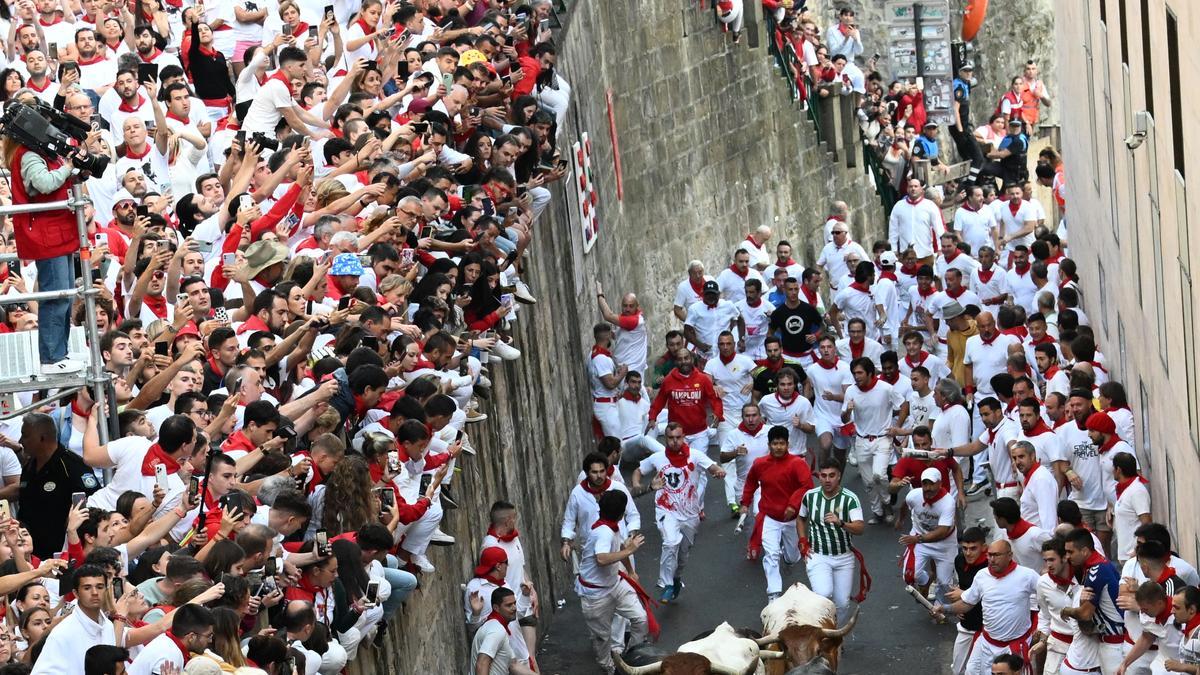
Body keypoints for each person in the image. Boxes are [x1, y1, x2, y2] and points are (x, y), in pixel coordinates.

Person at [7, 102, 99, 373]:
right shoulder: (28, 154)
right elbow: (44, 183)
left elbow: (57, 179)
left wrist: (76, 170)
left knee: (65, 296)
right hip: (47, 235)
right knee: (56, 297)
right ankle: (50, 358)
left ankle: (60, 353)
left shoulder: (42, 151)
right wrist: (68, 166)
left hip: (57, 233)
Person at [632, 422, 726, 603]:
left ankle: (675, 578)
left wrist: (719, 471)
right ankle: (666, 583)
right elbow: (638, 470)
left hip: (690, 513)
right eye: (670, 438)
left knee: (682, 555)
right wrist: (637, 485)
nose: (674, 441)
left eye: (678, 437)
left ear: (683, 437)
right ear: (665, 439)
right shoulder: (658, 457)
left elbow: (713, 467)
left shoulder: (695, 456)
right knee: (670, 542)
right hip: (666, 509)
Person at [933, 540, 1041, 675]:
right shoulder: (982, 576)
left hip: (1015, 646)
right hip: (987, 644)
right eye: (990, 555)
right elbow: (967, 603)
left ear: (1009, 555)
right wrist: (945, 608)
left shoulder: (1027, 575)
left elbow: (1047, 593)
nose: (992, 559)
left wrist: (1044, 624)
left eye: (997, 555)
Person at [574, 490, 650, 674]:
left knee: (640, 619)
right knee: (602, 638)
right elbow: (601, 558)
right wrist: (630, 550)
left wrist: (630, 571)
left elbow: (620, 546)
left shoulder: (612, 526)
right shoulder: (603, 533)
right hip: (595, 595)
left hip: (615, 584)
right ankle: (610, 668)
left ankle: (630, 656)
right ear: (622, 514)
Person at [740, 425, 813, 601]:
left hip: (792, 520)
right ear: (769, 445)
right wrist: (745, 503)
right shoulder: (760, 464)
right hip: (769, 517)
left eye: (782, 443)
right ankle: (774, 595)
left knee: (793, 557)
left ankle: (788, 559)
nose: (778, 447)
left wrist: (793, 505)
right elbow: (750, 483)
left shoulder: (797, 464)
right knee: (771, 555)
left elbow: (807, 486)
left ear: (788, 444)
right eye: (775, 443)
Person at [798, 458, 865, 625]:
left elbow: (860, 528)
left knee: (842, 603)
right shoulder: (810, 496)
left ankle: (834, 635)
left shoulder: (850, 499)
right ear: (819, 476)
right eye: (824, 475)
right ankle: (819, 631)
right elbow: (800, 519)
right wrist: (803, 542)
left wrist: (841, 523)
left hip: (844, 557)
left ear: (839, 476)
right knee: (823, 594)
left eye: (832, 475)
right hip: (818, 555)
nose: (827, 480)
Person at [842, 357, 903, 522]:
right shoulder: (851, 391)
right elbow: (844, 418)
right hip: (861, 440)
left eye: (860, 373)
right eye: (854, 373)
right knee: (868, 481)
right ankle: (877, 511)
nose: (856, 377)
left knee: (879, 475)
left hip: (882, 438)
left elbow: (903, 404)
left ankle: (887, 502)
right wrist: (848, 411)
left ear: (870, 373)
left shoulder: (886, 388)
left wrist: (898, 427)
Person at [1062, 527, 1126, 674]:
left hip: (1113, 645)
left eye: (1071, 552)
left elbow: (1085, 614)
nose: (1067, 557)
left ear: (1085, 551)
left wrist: (1067, 611)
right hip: (1116, 643)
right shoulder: (1103, 564)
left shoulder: (1095, 572)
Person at [900, 468, 957, 606]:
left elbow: (942, 531)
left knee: (944, 583)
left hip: (944, 544)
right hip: (920, 541)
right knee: (910, 574)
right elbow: (905, 504)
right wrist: (900, 520)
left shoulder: (948, 502)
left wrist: (918, 539)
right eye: (925, 484)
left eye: (932, 484)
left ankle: (939, 607)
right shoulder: (914, 495)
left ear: (940, 484)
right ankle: (926, 581)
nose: (928, 488)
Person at [1034, 537, 1080, 675]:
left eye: (1052, 560)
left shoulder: (1083, 578)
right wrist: (1042, 640)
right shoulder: (1043, 583)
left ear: (1065, 557)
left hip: (1083, 646)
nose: (1048, 565)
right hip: (1056, 645)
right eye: (1046, 560)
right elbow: (1044, 614)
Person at [470, 587, 535, 675]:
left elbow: (513, 664)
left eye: (514, 603)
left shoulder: (496, 626)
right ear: (496, 608)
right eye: (509, 605)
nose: (514, 608)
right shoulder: (496, 630)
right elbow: (482, 664)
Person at [951, 527, 989, 675]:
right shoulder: (959, 560)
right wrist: (958, 607)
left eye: (973, 548)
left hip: (987, 629)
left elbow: (995, 597)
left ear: (984, 547)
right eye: (965, 548)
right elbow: (961, 587)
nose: (968, 553)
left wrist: (963, 595)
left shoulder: (990, 566)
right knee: (957, 670)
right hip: (966, 625)